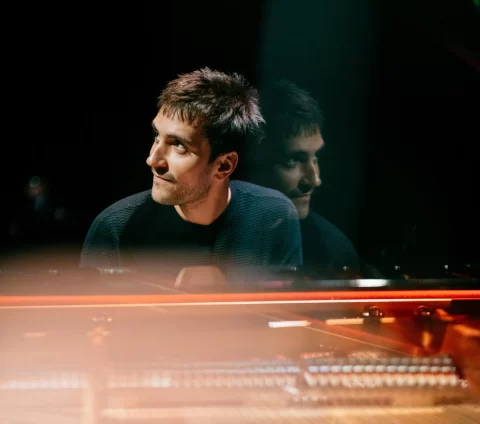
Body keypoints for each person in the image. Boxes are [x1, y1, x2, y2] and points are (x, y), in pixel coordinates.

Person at [79, 68, 303, 273]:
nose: (152, 159)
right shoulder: (116, 228)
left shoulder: (274, 217)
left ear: (224, 165)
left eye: (178, 145)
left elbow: (287, 303)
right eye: (157, 136)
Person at [248, 79, 361, 275]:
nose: (315, 180)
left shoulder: (332, 252)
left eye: (315, 158)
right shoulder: (193, 238)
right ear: (247, 161)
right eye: (293, 160)